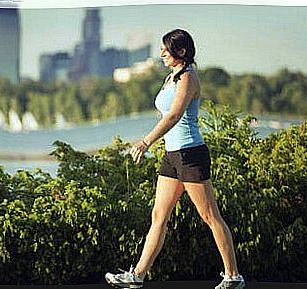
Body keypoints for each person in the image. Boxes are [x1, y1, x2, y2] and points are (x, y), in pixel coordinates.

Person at [104, 29, 245, 289]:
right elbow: (164, 114)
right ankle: (136, 276)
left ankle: (233, 276)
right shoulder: (171, 77)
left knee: (210, 216)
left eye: (166, 50)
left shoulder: (188, 78)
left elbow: (174, 116)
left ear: (181, 51)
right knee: (159, 215)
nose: (161, 54)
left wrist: (146, 141)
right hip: (172, 155)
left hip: (191, 154)